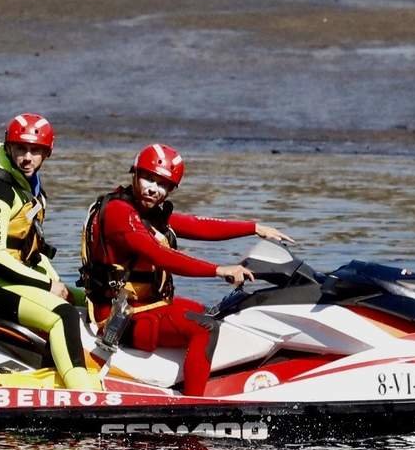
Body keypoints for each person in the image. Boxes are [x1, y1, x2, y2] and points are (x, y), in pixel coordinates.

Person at [79, 144, 293, 395]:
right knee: (204, 328)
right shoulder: (119, 212)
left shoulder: (143, 212)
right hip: (120, 318)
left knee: (213, 313)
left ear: (170, 189)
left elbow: (196, 225)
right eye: (148, 178)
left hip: (145, 306)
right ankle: (194, 403)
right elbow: (159, 255)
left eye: (162, 184)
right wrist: (219, 269)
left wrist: (254, 227)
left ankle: (208, 383)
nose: (153, 188)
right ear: (134, 174)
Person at [0, 113, 102, 391]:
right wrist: (46, 286)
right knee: (63, 315)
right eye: (20, 149)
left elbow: (32, 253)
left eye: (35, 151)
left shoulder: (28, 189)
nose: (27, 157)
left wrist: (76, 291)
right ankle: (84, 391)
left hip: (8, 279)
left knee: (87, 304)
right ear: (8, 148)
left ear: (47, 153)